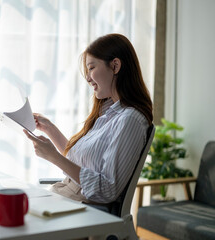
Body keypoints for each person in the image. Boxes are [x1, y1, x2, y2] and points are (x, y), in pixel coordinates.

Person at [24, 33, 153, 207]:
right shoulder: (108, 113)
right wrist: (50, 129)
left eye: (91, 68)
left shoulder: (129, 120)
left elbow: (107, 190)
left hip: (82, 205)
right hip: (68, 195)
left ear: (115, 66)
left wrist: (53, 156)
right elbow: (79, 163)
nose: (88, 77)